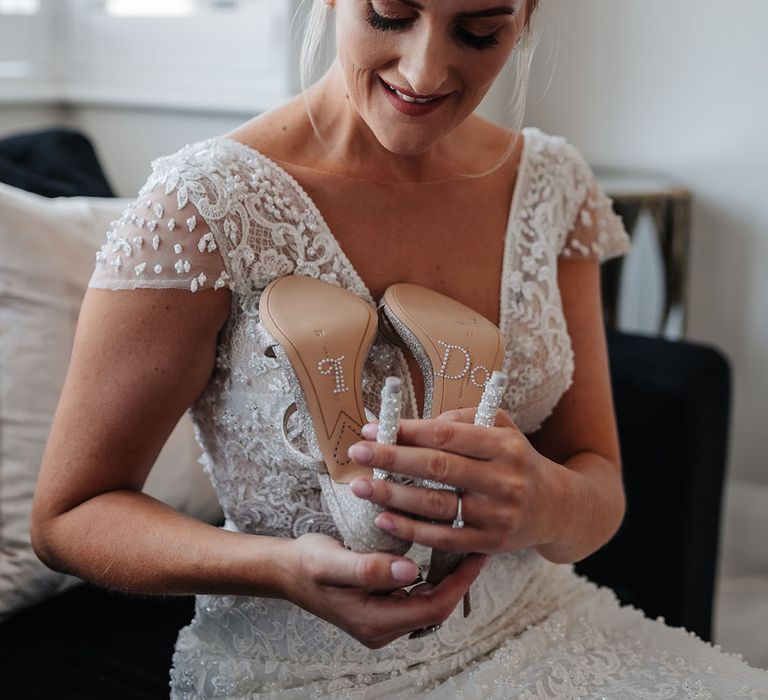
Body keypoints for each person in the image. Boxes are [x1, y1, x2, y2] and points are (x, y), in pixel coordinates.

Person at [30, 0, 768, 697]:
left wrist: (545, 502)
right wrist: (282, 569)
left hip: (544, 625)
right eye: (390, 14)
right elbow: (69, 516)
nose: (424, 73)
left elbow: (598, 494)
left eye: (479, 32)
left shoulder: (549, 187)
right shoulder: (203, 203)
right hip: (305, 670)